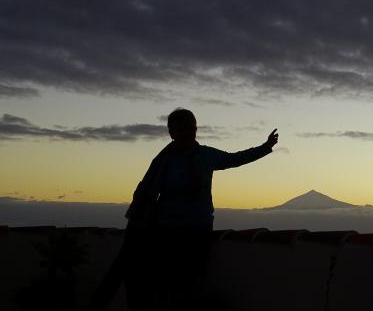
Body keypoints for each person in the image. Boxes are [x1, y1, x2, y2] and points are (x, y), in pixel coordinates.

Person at [89, 108, 279, 311]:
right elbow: (147, 194)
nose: (188, 133)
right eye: (182, 129)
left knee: (191, 285)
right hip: (167, 232)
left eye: (191, 128)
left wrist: (265, 147)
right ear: (171, 132)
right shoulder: (164, 161)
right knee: (166, 286)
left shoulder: (207, 155)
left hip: (198, 230)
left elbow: (235, 159)